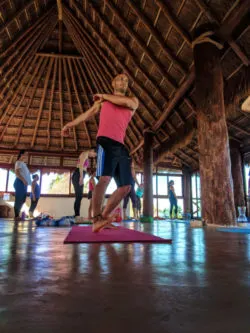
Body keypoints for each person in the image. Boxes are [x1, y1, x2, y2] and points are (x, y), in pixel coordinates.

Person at [62, 73, 139, 232]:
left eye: (125, 80)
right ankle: (96, 219)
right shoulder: (103, 102)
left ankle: (103, 217)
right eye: (119, 79)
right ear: (113, 83)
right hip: (105, 142)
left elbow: (124, 101)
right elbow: (86, 115)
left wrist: (104, 95)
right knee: (104, 178)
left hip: (121, 147)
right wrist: (69, 125)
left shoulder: (132, 101)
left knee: (126, 187)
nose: (123, 81)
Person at [72, 150, 96, 220]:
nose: (94, 156)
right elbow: (81, 165)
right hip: (78, 175)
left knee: (79, 196)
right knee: (78, 196)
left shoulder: (86, 156)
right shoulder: (84, 153)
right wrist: (81, 177)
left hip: (80, 175)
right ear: (92, 150)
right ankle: (77, 216)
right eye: (94, 154)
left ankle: (77, 215)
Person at [14, 150, 31, 221]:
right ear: (21, 154)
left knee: (23, 200)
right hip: (20, 182)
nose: (27, 156)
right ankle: (16, 216)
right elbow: (17, 173)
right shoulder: (18, 162)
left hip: (24, 184)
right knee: (19, 199)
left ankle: (17, 215)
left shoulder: (23, 164)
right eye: (26, 154)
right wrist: (23, 180)